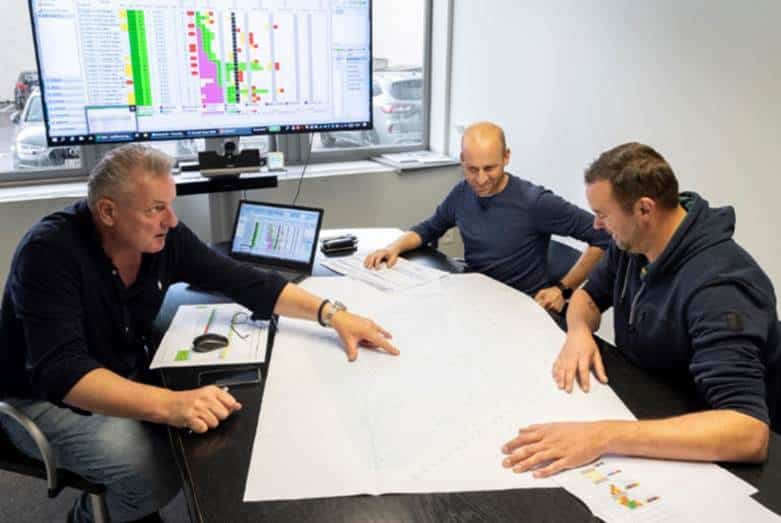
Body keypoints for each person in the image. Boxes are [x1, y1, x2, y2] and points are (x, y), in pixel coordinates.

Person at [0, 144, 399, 523]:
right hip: (46, 399)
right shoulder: (48, 253)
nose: (171, 221)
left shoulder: (163, 238)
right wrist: (171, 404)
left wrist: (331, 313)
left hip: (117, 364)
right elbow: (63, 373)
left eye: (170, 205)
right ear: (107, 211)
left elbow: (243, 280)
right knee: (153, 472)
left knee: (202, 428)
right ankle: (89, 518)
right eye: (156, 209)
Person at [501, 142, 779, 478]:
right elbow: (587, 298)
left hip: (709, 443)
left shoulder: (720, 289)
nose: (597, 225)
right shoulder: (633, 243)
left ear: (644, 209)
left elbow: (748, 432)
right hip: (647, 402)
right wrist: (578, 332)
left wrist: (603, 436)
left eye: (603, 214)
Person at [364, 122, 610, 313]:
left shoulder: (535, 202)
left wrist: (563, 289)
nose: (481, 180)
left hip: (521, 309)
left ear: (506, 157)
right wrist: (393, 247)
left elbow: (602, 235)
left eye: (490, 168)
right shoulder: (462, 192)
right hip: (475, 298)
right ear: (462, 160)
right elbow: (429, 228)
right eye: (472, 169)